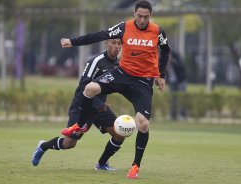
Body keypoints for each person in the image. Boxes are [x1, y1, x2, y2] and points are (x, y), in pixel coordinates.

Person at [60, 0, 170, 179]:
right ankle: (78, 125)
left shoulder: (157, 32)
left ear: (151, 16)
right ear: (134, 14)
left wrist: (161, 75)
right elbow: (99, 35)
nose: (142, 20)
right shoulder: (123, 27)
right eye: (139, 16)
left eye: (146, 17)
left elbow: (165, 50)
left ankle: (135, 166)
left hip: (142, 82)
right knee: (90, 88)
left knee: (143, 124)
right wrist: (72, 42)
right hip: (121, 74)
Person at [32, 39, 124, 171]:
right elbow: (83, 86)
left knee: (119, 134)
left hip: (99, 108)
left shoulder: (117, 64)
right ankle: (43, 146)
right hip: (82, 105)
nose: (116, 46)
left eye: (119, 43)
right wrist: (98, 102)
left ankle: (102, 164)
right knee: (69, 143)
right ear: (106, 43)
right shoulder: (96, 61)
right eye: (113, 43)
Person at [167, 51, 187, 120]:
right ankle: (173, 115)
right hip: (172, 82)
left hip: (181, 81)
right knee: (173, 99)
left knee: (181, 98)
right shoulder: (165, 62)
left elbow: (181, 67)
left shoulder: (177, 59)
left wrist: (172, 62)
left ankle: (182, 115)